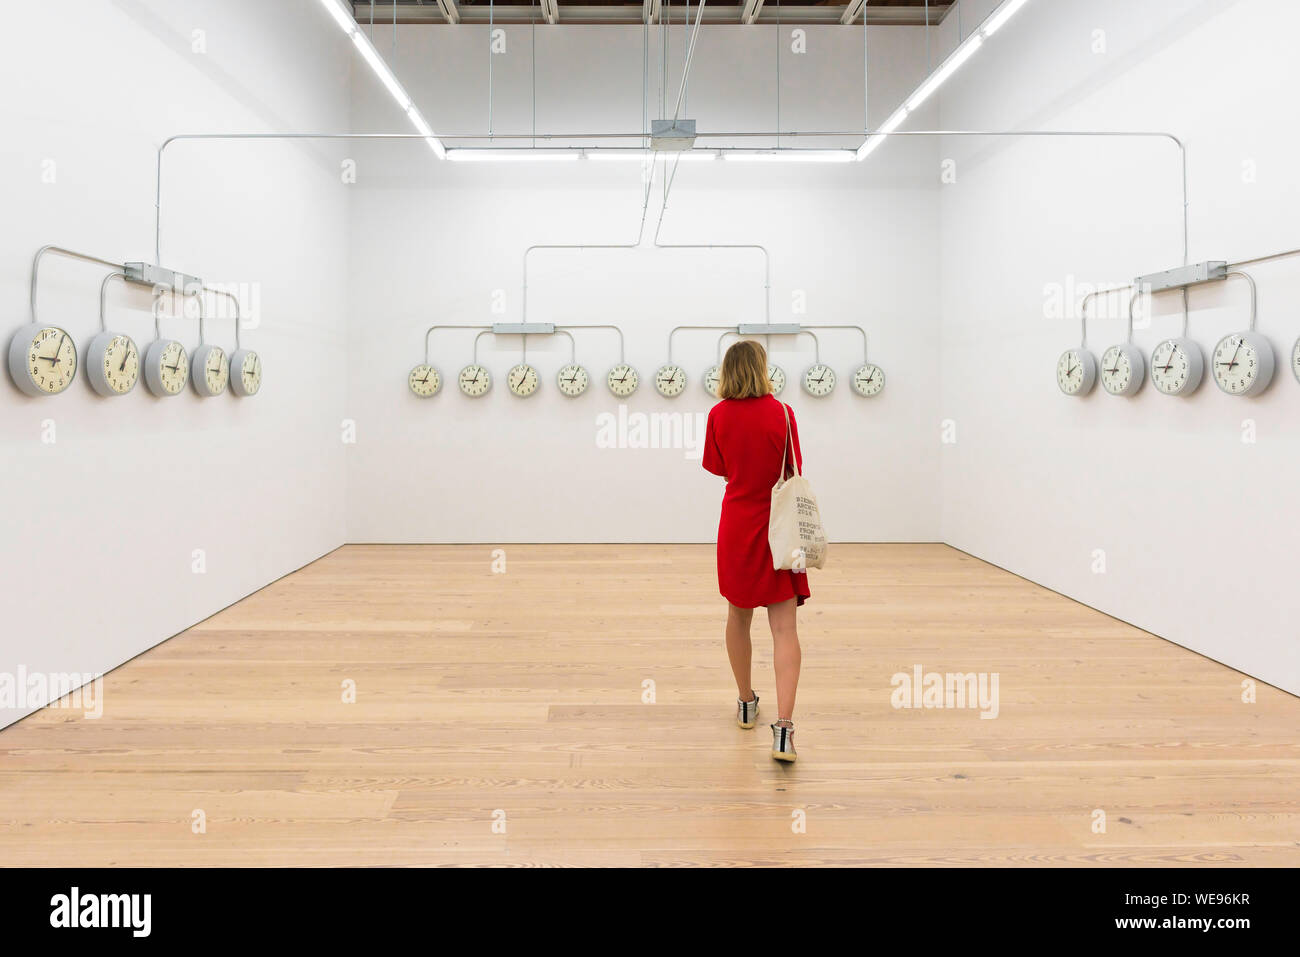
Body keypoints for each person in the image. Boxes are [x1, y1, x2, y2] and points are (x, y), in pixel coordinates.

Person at [701, 340, 808, 763]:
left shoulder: (718, 415)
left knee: (737, 616)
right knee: (784, 629)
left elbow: (719, 467)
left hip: (738, 526)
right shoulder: (782, 413)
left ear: (727, 370)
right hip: (779, 529)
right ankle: (783, 730)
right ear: (763, 369)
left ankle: (746, 702)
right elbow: (793, 466)